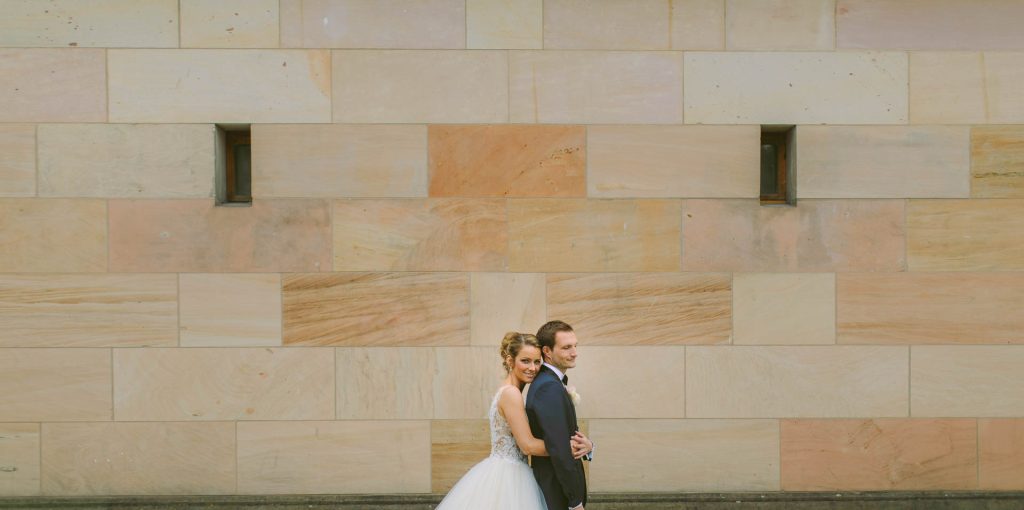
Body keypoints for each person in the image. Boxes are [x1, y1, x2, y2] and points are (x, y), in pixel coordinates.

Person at [436, 332, 589, 510]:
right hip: (509, 476)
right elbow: (528, 446)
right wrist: (566, 448)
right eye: (525, 361)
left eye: (537, 361)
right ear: (510, 361)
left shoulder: (509, 390)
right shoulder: (511, 393)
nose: (533, 368)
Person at [526, 320, 594, 510]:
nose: (574, 352)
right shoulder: (548, 387)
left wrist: (589, 447)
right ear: (547, 351)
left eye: (575, 346)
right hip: (557, 493)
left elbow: (567, 437)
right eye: (566, 348)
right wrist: (575, 502)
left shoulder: (551, 383)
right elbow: (559, 449)